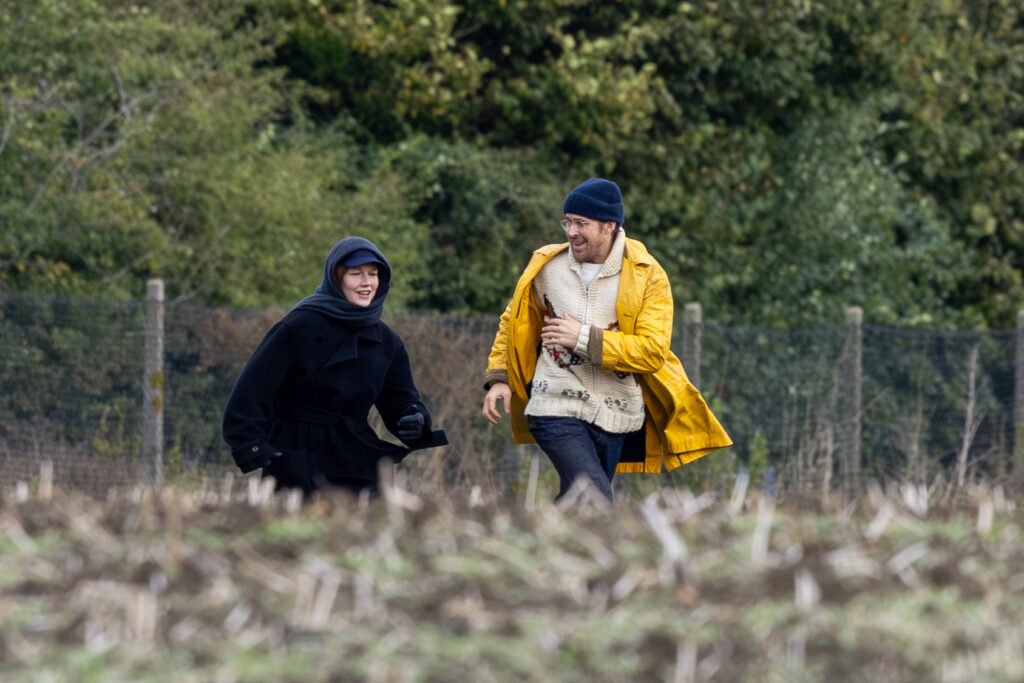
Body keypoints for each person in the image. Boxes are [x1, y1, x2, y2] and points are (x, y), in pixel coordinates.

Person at [482, 178, 731, 502]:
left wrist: (584, 338)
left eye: (581, 224)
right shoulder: (545, 267)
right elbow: (511, 322)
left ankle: (541, 544)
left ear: (608, 226)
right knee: (595, 497)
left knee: (581, 501)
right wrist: (499, 378)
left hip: (617, 412)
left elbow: (652, 352)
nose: (570, 231)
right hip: (554, 401)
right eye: (567, 222)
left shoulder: (648, 275)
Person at [223, 236, 447, 496]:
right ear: (336, 277)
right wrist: (251, 446)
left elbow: (399, 400)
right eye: (356, 274)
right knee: (296, 533)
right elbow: (253, 390)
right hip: (296, 452)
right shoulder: (298, 326)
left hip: (357, 455)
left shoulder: (387, 341)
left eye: (373, 274)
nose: (367, 283)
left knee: (361, 532)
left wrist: (414, 420)